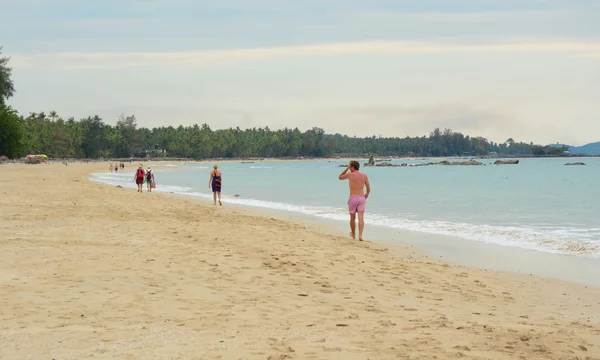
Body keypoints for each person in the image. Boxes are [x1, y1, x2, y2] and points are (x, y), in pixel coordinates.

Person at [338, 160, 371, 241]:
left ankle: (353, 234)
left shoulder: (350, 175)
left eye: (350, 166)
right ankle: (360, 235)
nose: (349, 168)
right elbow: (368, 187)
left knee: (352, 218)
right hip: (361, 198)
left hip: (353, 198)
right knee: (361, 218)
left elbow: (340, 177)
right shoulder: (364, 175)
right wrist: (367, 194)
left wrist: (346, 168)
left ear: (352, 167)